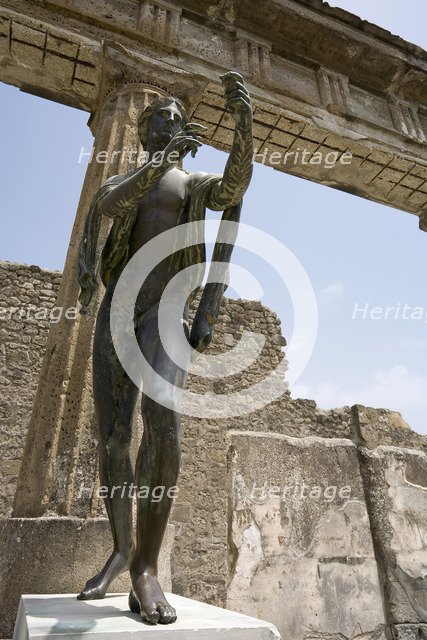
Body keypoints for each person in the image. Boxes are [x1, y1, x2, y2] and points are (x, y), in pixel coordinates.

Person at [77, 71, 253, 624]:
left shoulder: (193, 184)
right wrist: (160, 159)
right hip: (118, 311)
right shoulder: (126, 180)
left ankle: (146, 570)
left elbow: (234, 190)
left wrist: (243, 125)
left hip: (164, 311)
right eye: (161, 119)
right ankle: (120, 548)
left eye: (178, 120)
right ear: (146, 131)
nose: (171, 124)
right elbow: (107, 205)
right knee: (113, 437)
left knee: (165, 422)